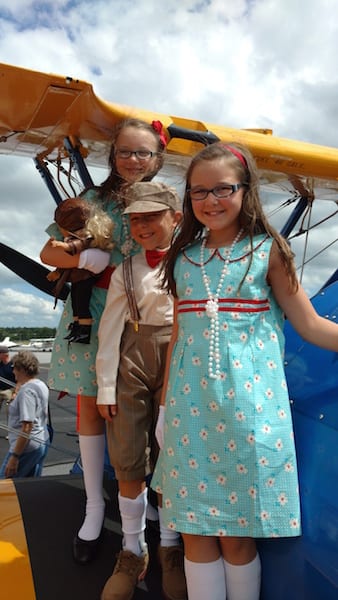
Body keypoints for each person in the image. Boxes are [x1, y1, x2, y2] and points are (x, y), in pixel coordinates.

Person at [151, 142, 338, 600]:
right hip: (189, 416)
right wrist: (162, 408)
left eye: (223, 189)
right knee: (194, 532)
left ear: (245, 189)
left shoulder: (268, 251)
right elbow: (178, 339)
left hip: (248, 416)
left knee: (236, 535)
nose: (210, 201)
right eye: (198, 192)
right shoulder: (182, 257)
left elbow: (311, 325)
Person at [39, 118, 167, 564]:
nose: (134, 160)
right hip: (91, 316)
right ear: (112, 155)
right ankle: (94, 503)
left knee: (146, 413)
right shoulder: (92, 201)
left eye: (143, 153)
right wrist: (87, 256)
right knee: (91, 411)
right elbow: (49, 253)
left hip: (146, 319)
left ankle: (145, 497)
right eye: (125, 152)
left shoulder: (166, 203)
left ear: (158, 159)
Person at [96, 181, 185, 600]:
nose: (143, 225)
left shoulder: (192, 265)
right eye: (135, 219)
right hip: (132, 355)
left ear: (176, 218)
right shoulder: (126, 271)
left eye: (152, 216)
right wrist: (106, 388)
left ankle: (170, 547)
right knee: (128, 455)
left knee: (172, 452)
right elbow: (109, 329)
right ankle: (133, 549)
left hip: (181, 355)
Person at [47, 196, 114, 344]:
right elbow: (68, 262)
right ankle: (77, 327)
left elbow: (77, 247)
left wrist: (62, 246)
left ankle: (84, 331)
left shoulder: (84, 237)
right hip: (78, 276)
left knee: (82, 303)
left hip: (86, 277)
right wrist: (57, 272)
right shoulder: (73, 237)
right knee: (75, 303)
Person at [0, 351, 49, 478]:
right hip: (40, 441)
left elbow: (27, 427)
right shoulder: (40, 384)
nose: (13, 372)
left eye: (14, 368)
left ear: (21, 369)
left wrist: (15, 457)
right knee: (28, 487)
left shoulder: (27, 392)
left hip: (26, 447)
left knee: (4, 486)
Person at [0, 344, 15, 410]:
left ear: (4, 355)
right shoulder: (0, 364)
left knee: (11, 410)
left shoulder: (14, 365)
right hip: (0, 389)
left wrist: (15, 392)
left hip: (11, 389)